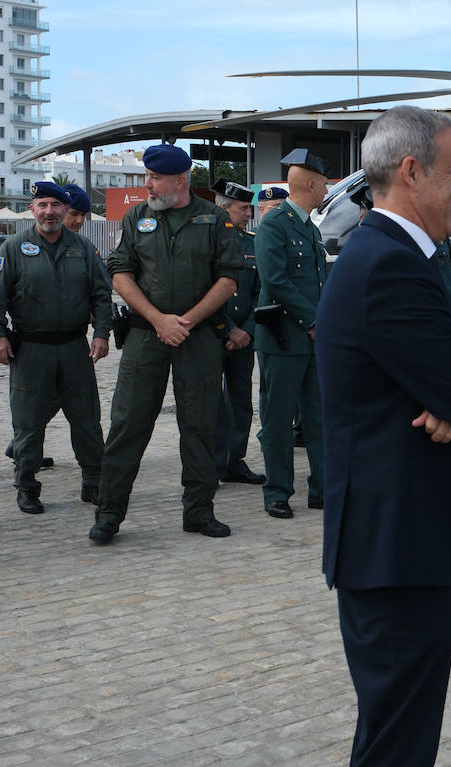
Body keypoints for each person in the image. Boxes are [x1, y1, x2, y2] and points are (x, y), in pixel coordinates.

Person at [318, 105, 451, 767]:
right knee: (395, 752)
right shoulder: (388, 266)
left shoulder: (395, 256)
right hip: (396, 551)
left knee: (397, 740)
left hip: (401, 544)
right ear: (410, 171)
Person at [90, 144, 242, 544]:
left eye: (155, 179)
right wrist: (159, 320)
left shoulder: (214, 219)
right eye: (147, 177)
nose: (148, 185)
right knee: (128, 424)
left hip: (197, 338)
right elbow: (120, 272)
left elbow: (228, 279)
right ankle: (109, 513)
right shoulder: (137, 216)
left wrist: (186, 322)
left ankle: (199, 511)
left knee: (199, 424)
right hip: (145, 336)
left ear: (180, 180)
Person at [0, 181, 112, 514]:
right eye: (43, 205)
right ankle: (26, 486)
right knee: (28, 423)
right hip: (30, 350)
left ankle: (93, 483)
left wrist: (102, 334)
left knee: (86, 420)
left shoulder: (84, 248)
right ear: (32, 209)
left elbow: (101, 294)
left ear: (66, 209)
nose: (50, 212)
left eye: (56, 205)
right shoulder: (12, 248)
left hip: (74, 348)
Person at [255, 150, 328, 518]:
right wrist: (314, 322)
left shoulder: (310, 229)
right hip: (283, 340)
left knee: (318, 417)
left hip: (313, 342)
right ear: (312, 184)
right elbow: (276, 282)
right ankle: (278, 490)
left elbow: (318, 282)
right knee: (278, 419)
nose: (327, 189)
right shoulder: (275, 224)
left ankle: (322, 489)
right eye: (325, 183)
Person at [212, 181, 264, 485]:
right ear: (224, 208)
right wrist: (229, 329)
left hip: (245, 336)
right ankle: (212, 462)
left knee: (241, 401)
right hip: (214, 334)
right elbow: (202, 290)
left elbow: (263, 291)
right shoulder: (207, 241)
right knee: (212, 404)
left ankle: (233, 460)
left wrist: (246, 330)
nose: (249, 213)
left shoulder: (252, 243)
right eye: (243, 208)